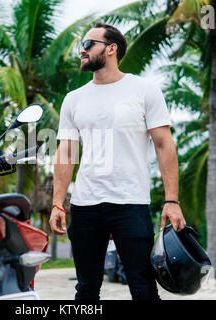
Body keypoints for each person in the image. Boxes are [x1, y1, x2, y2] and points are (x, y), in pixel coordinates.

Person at [49, 22, 186, 301]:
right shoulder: (74, 99)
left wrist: (172, 200)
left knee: (143, 286)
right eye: (81, 46)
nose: (82, 51)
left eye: (88, 45)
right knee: (86, 289)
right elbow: (66, 153)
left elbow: (163, 144)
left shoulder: (143, 90)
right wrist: (57, 202)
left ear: (111, 49)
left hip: (130, 202)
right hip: (85, 204)